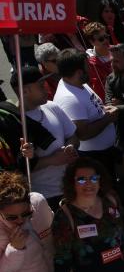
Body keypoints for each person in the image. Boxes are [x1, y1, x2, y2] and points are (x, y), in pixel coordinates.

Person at [12, 66, 79, 209]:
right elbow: (19, 167)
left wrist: (71, 147)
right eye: (41, 86)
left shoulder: (52, 107)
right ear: (24, 91)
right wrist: (53, 160)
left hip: (72, 186)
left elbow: (73, 136)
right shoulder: (13, 122)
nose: (47, 89)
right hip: (44, 197)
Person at [53, 49, 119, 177]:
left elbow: (92, 110)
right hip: (95, 158)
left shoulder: (77, 83)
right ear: (79, 72)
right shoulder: (69, 99)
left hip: (106, 153)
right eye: (87, 65)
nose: (90, 68)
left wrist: (105, 110)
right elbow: (82, 133)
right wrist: (108, 118)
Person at [83, 22, 113, 101]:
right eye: (101, 39)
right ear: (92, 42)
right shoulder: (89, 62)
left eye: (106, 36)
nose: (106, 40)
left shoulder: (117, 51)